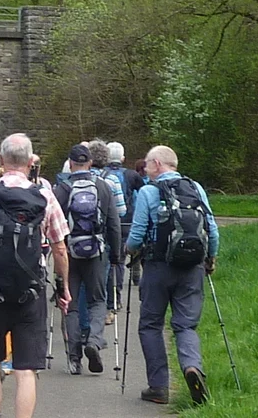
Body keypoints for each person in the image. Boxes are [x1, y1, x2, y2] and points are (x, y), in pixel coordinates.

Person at [0, 133, 71, 418]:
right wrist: (63, 287)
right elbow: (59, 249)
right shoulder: (45, 197)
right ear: (31, 162)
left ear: (2, 161)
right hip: (30, 292)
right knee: (26, 369)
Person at [125, 145, 221, 406]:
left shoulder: (148, 191)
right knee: (186, 325)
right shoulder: (196, 188)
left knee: (151, 324)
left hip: (157, 268)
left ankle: (158, 387)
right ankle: (192, 367)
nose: (144, 169)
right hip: (192, 268)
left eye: (147, 164)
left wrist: (129, 251)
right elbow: (212, 230)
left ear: (157, 163)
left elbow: (136, 235)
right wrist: (210, 258)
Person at [54, 144, 123, 375]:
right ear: (90, 163)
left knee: (70, 304)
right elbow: (113, 224)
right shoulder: (103, 187)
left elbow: (51, 227)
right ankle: (93, 341)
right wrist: (116, 256)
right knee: (97, 300)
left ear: (71, 163)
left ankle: (74, 359)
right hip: (96, 252)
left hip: (68, 253)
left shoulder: (62, 190)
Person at [101, 141, 145, 305]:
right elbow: (144, 193)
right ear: (123, 158)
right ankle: (117, 297)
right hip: (126, 221)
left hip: (106, 222)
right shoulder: (132, 175)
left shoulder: (101, 175)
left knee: (105, 259)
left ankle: (105, 297)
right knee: (119, 261)